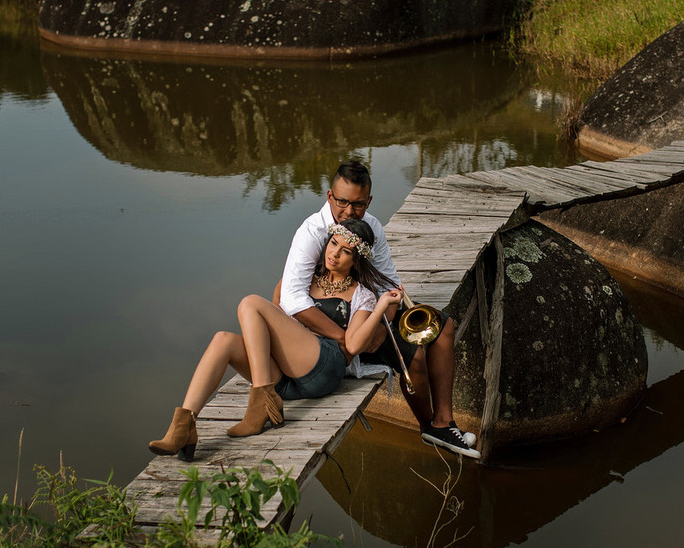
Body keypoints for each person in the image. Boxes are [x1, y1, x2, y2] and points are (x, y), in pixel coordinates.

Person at [149, 218, 401, 461]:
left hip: (324, 367)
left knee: (250, 303)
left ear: (356, 261)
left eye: (345, 251)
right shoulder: (303, 278)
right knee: (222, 340)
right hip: (286, 378)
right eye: (333, 243)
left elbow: (355, 345)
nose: (334, 253)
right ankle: (184, 427)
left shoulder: (362, 295)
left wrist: (381, 307)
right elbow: (276, 311)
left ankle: (260, 401)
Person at [277, 160, 479, 458]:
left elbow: (388, 283)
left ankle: (443, 421)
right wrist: (346, 338)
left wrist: (383, 321)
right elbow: (291, 298)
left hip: (366, 310)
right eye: (342, 201)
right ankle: (429, 426)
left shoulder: (371, 225)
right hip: (328, 324)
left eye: (357, 204)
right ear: (330, 195)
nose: (348, 210)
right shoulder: (311, 232)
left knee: (443, 327)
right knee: (415, 356)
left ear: (368, 201)